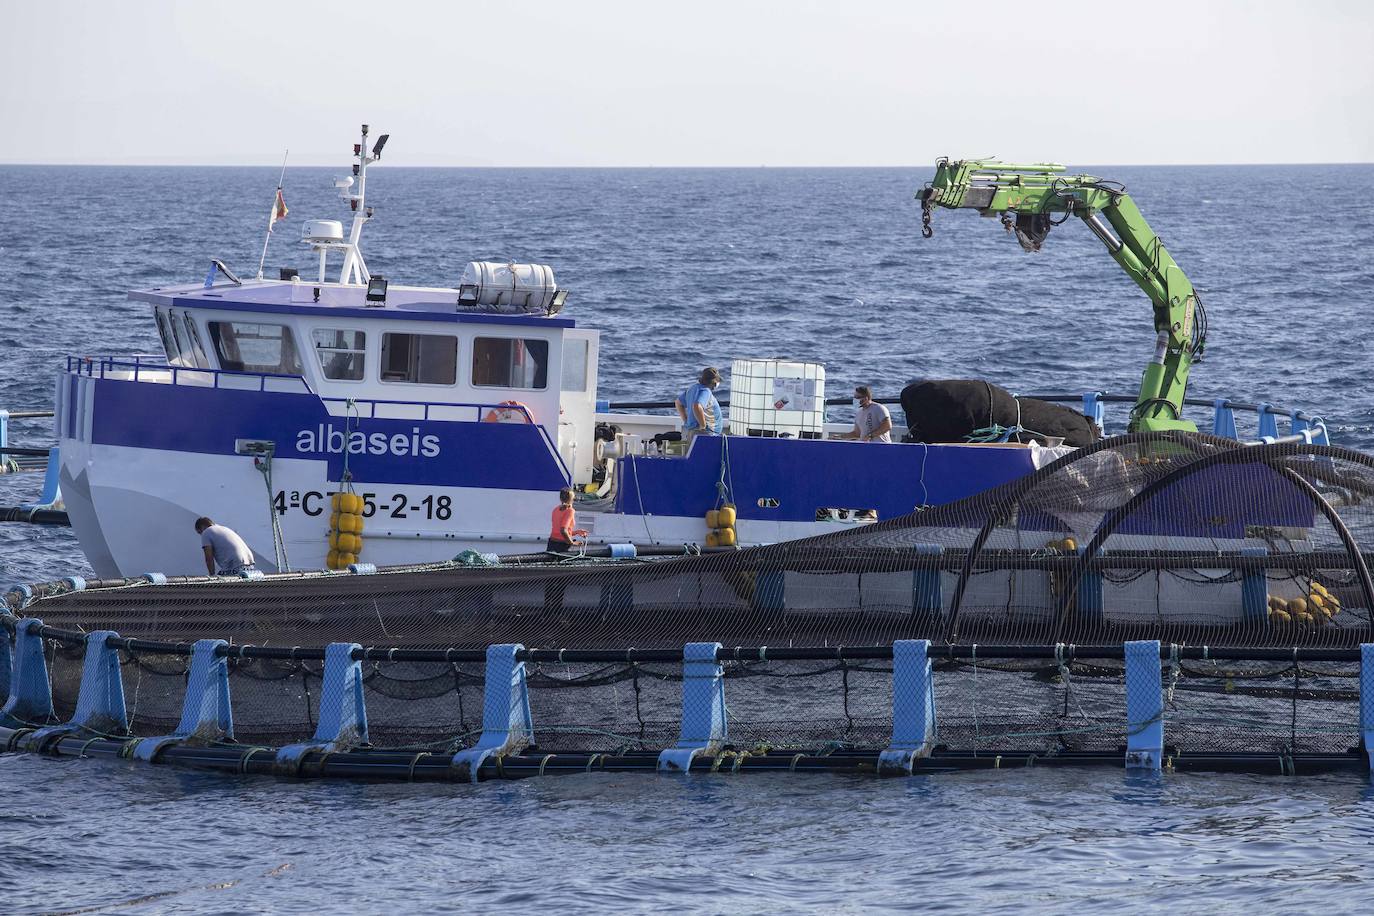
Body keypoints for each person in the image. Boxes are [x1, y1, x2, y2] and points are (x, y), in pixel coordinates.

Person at [675, 367, 723, 442]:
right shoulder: (705, 391)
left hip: (693, 432)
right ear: (713, 381)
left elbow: (678, 402)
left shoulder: (693, 388)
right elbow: (697, 406)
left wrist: (686, 420)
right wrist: (703, 426)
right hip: (706, 434)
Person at [547, 487, 587, 553]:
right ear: (571, 500)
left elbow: (559, 531)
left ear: (560, 499)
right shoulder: (570, 511)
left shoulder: (556, 509)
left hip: (552, 543)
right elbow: (563, 530)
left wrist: (576, 532)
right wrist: (572, 543)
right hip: (562, 546)